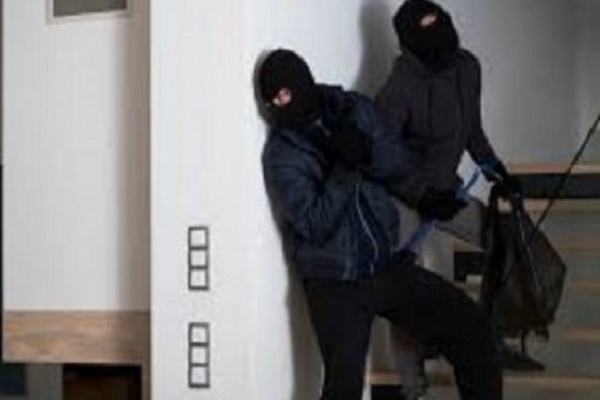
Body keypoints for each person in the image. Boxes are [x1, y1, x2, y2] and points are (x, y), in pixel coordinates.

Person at [258, 48, 502, 400]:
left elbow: (396, 165)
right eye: (273, 100)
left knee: (472, 329)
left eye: (286, 92)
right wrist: (344, 167)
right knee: (343, 388)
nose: (282, 103)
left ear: (304, 81)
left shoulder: (352, 109)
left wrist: (424, 196)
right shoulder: (282, 155)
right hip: (333, 283)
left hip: (383, 265)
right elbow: (314, 224)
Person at [375, 1, 530, 398]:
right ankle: (414, 387)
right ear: (410, 42)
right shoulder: (399, 87)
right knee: (404, 284)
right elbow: (382, 158)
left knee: (502, 239)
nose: (438, 36)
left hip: (448, 189)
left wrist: (496, 170)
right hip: (406, 197)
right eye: (425, 30)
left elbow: (472, 130)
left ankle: (493, 337)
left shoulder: (467, 67)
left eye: (440, 23)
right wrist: (422, 195)